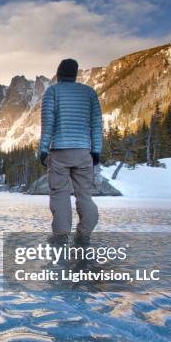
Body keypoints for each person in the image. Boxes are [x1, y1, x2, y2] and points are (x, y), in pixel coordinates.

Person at [38, 58, 102, 246]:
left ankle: (60, 238)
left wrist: (43, 149)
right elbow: (97, 124)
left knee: (60, 195)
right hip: (84, 152)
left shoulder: (53, 92)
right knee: (85, 196)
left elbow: (47, 124)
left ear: (58, 74)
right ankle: (83, 236)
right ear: (75, 75)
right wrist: (96, 150)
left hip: (59, 152)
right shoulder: (89, 93)